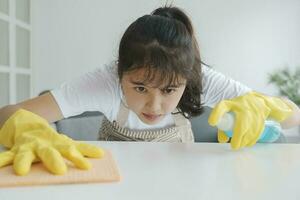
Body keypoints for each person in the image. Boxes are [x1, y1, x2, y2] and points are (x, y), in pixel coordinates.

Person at [0, 6, 299, 176]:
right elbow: (8, 113)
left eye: (170, 89)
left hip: (183, 181)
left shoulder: (200, 76)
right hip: (117, 181)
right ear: (120, 74)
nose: (154, 105)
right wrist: (27, 130)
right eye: (140, 87)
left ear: (187, 78)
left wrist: (270, 109)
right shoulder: (104, 81)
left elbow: (294, 118)